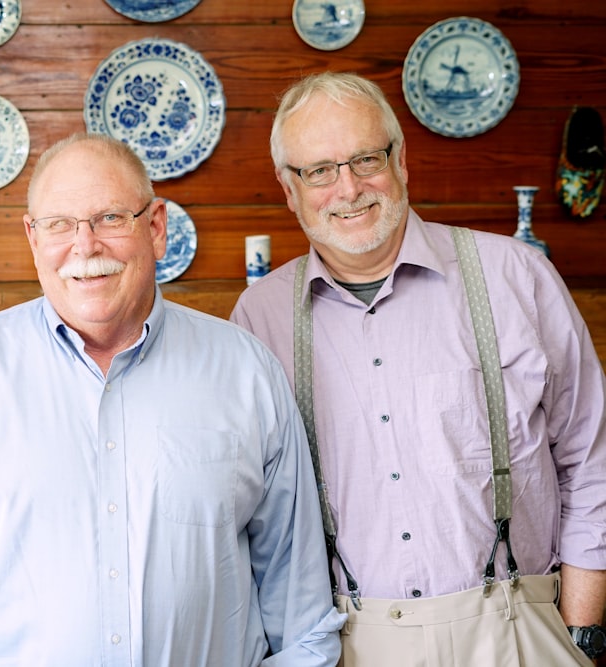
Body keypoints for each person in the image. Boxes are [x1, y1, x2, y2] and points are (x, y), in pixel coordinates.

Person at [0, 132, 345, 666]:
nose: (85, 246)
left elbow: (302, 622)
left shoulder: (247, 374)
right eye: (59, 224)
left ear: (155, 228)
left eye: (110, 218)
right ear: (33, 238)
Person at [231, 71, 606, 666]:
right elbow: (254, 514)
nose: (348, 187)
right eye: (319, 170)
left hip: (519, 629)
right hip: (349, 645)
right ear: (288, 186)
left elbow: (591, 460)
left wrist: (580, 634)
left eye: (365, 158)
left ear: (400, 159)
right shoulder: (259, 317)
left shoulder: (517, 277)